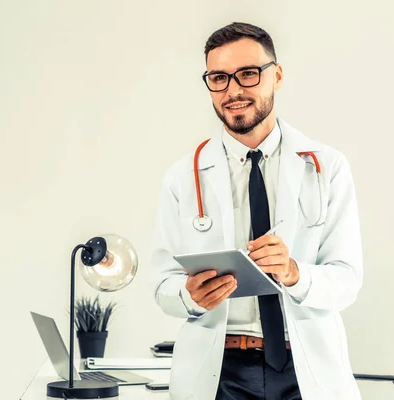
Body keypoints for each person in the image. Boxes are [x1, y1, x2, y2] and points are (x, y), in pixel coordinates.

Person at [151, 21, 363, 400]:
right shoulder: (183, 177)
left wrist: (295, 273)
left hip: (306, 370)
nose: (233, 90)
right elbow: (162, 283)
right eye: (218, 78)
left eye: (248, 74)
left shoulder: (326, 167)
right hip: (219, 375)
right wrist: (189, 296)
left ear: (277, 75)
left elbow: (347, 280)